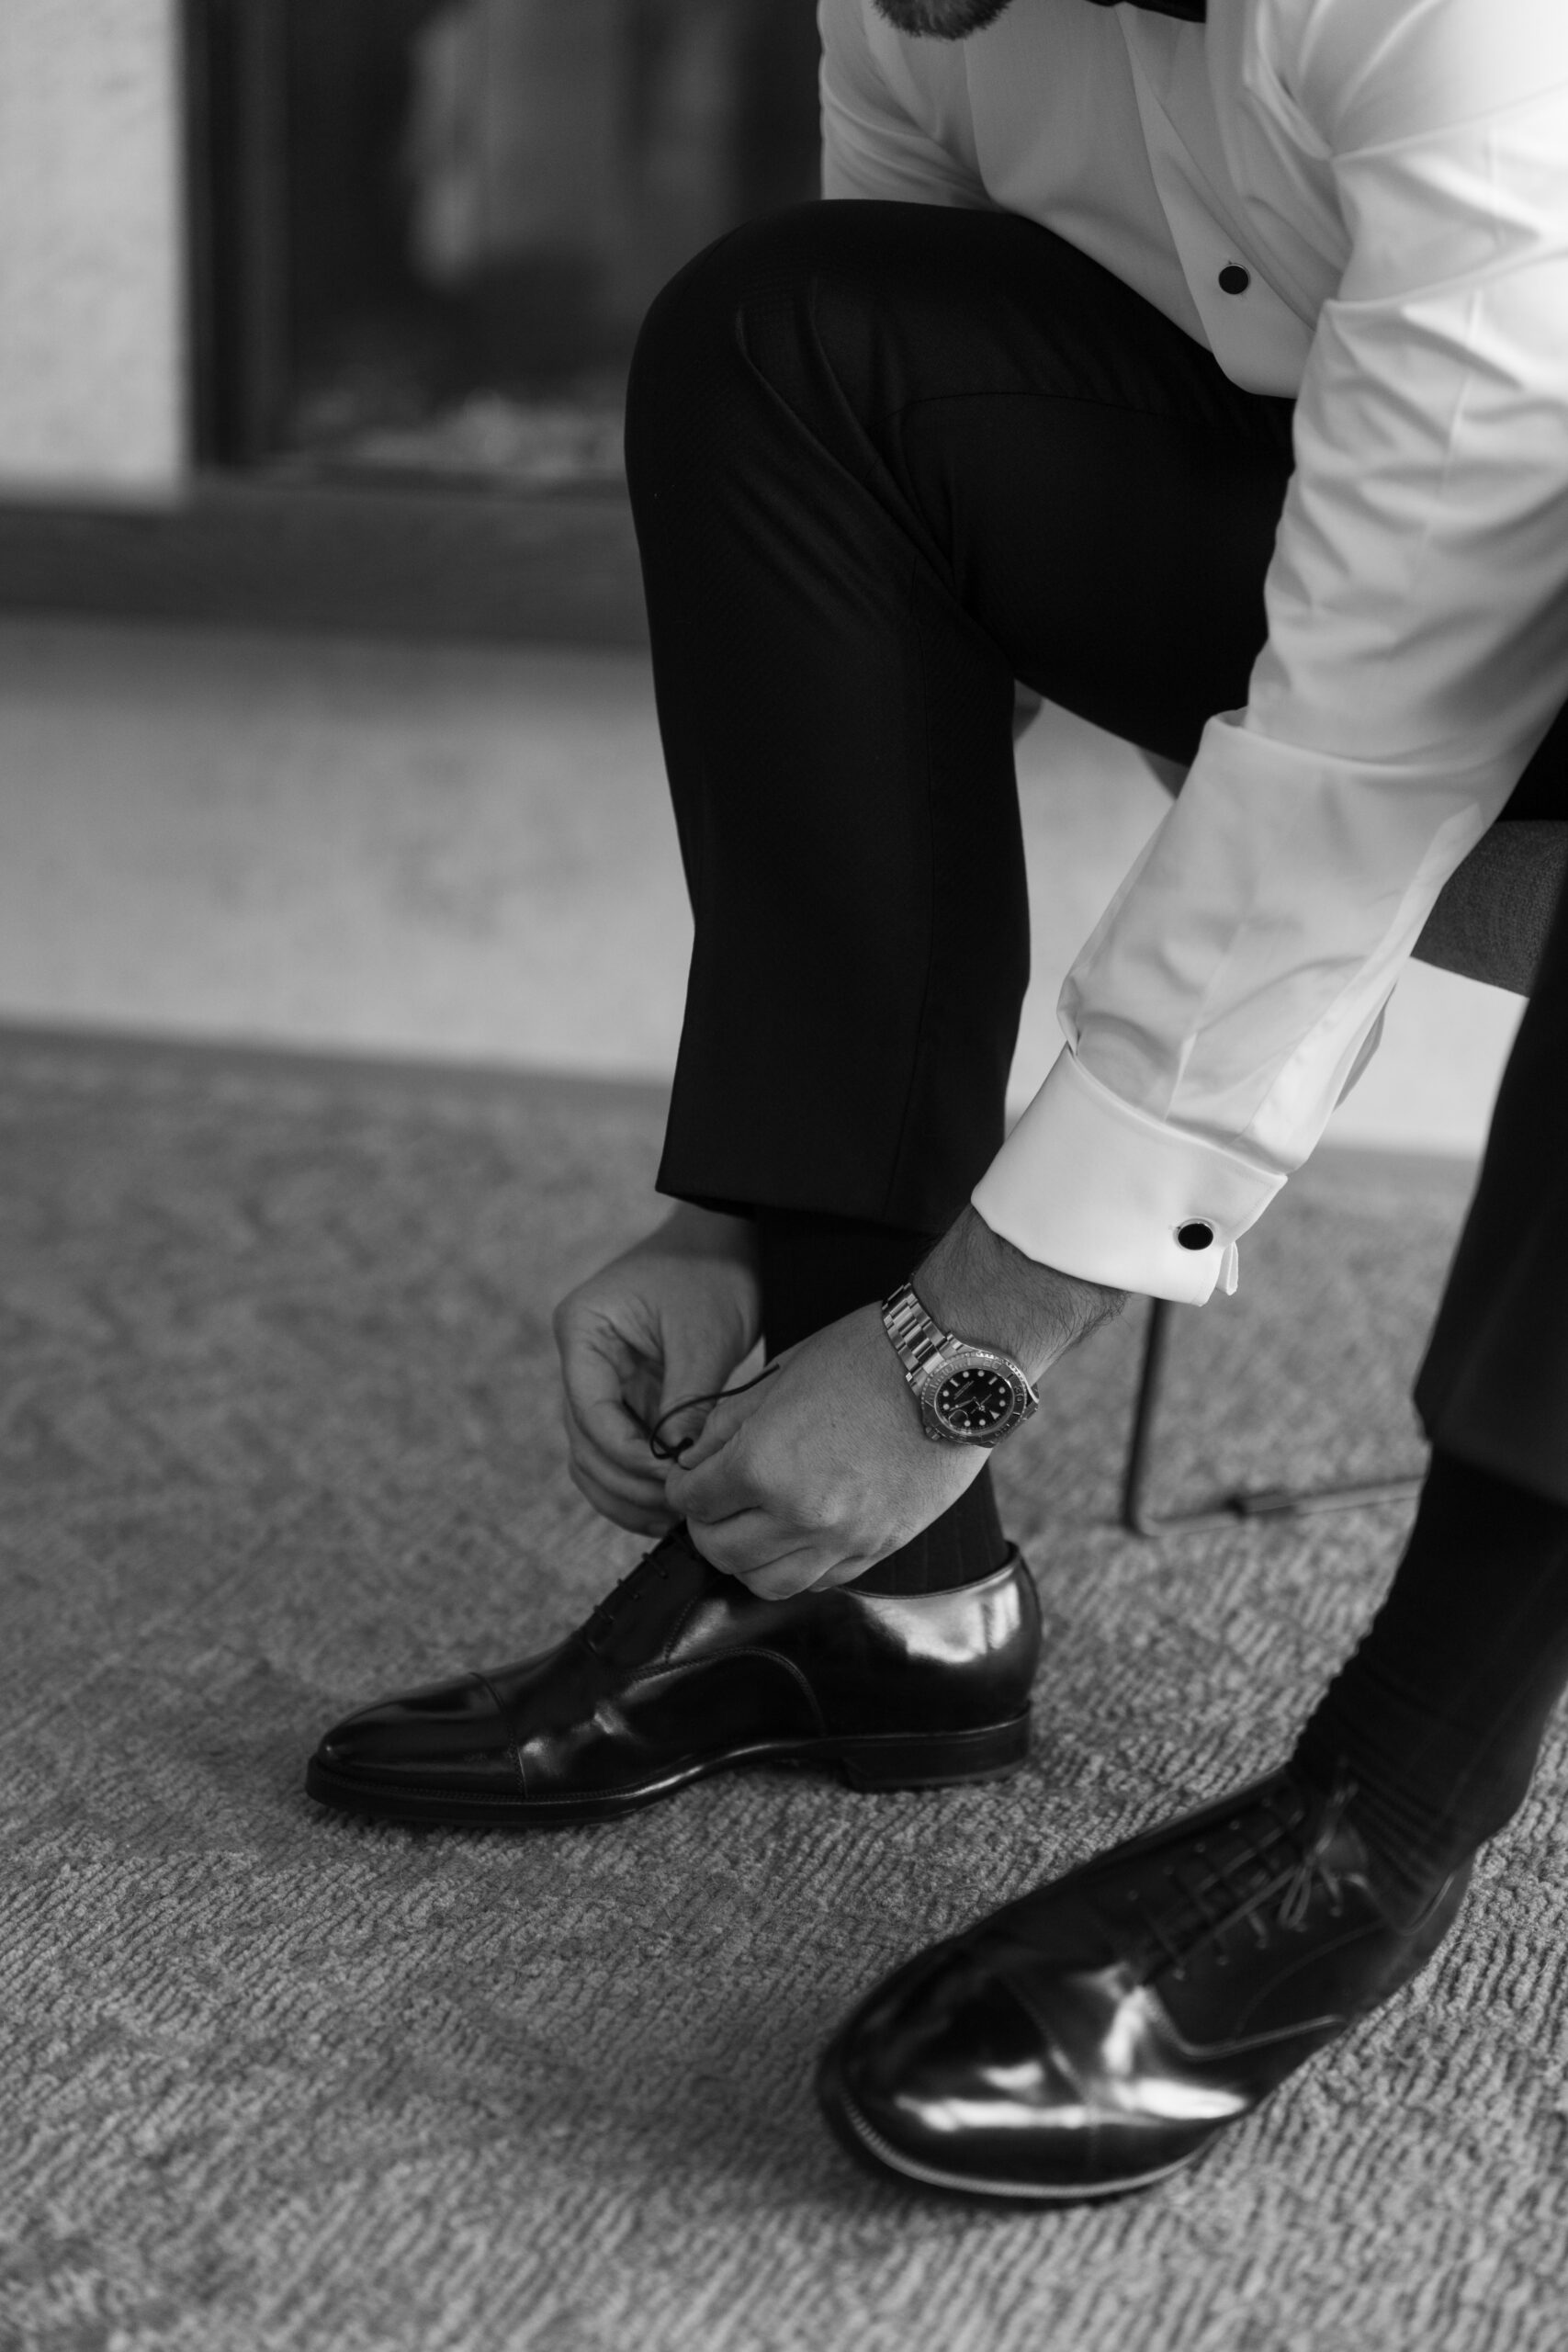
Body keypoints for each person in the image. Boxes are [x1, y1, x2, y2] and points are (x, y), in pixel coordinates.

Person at [306, 0, 1568, 2201]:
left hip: (1483, 596)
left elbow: (1385, 720)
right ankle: (884, 1609)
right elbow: (899, 569)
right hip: (1370, 549)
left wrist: (962, 1346)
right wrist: (749, 1212)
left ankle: (1386, 1805)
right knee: (795, 342)